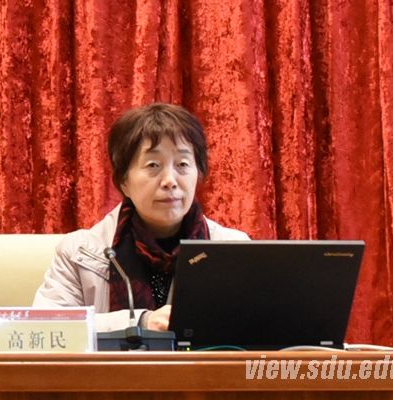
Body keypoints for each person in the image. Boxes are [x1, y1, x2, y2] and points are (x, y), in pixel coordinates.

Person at [33, 103, 249, 332]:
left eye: (182, 164)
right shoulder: (80, 253)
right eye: (153, 165)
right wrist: (139, 323)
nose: (170, 180)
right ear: (124, 181)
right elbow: (46, 328)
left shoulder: (234, 249)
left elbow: (256, 331)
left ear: (199, 173)